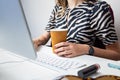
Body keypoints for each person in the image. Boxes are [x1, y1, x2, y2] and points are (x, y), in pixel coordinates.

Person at [33, 0, 120, 60]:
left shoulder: (98, 8)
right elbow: (44, 37)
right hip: (55, 60)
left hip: (80, 65)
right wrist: (35, 42)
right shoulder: (58, 8)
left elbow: (116, 54)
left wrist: (86, 49)